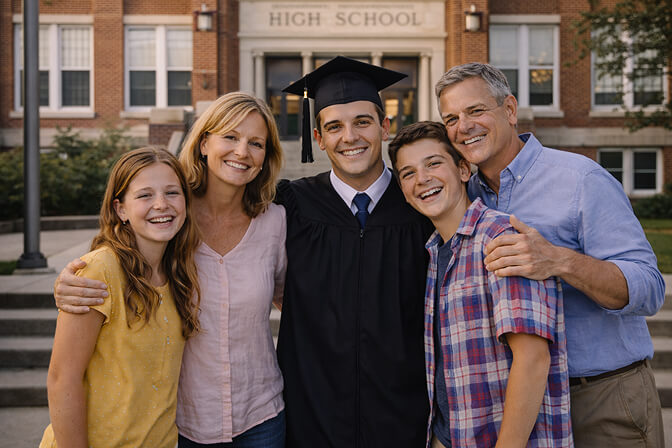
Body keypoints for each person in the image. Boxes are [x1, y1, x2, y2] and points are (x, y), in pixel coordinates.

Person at [435, 62, 665, 447]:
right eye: (451, 118)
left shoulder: (580, 179)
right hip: (518, 404)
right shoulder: (464, 196)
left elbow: (648, 288)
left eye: (476, 111)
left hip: (599, 398)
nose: (464, 126)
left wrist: (559, 260)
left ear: (509, 110)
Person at [53, 92, 288, 447]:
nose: (242, 151)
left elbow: (293, 298)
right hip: (185, 421)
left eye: (256, 143)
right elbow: (118, 254)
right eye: (230, 136)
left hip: (261, 414)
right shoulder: (171, 218)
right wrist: (69, 282)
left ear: (265, 156)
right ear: (204, 142)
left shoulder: (275, 223)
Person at [276, 56, 433, 447]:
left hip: (405, 421)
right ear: (318, 138)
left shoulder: (422, 205)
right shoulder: (291, 206)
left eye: (362, 122)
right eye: (334, 127)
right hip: (312, 422)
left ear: (385, 126)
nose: (350, 137)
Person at [388, 121, 572, 448]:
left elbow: (532, 359)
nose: (422, 179)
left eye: (433, 163)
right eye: (408, 173)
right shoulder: (433, 253)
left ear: (462, 170)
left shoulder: (500, 238)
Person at [40, 147, 201, 448]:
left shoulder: (180, 273)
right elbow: (63, 379)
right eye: (144, 195)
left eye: (172, 193)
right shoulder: (100, 270)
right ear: (120, 209)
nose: (161, 205)